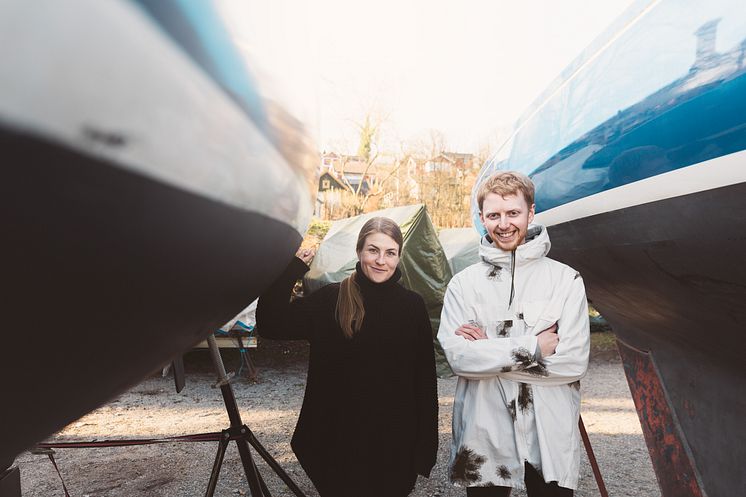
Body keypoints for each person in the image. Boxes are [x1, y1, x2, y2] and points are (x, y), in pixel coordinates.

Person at [256, 217, 439, 497]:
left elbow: (424, 381)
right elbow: (271, 323)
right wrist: (293, 268)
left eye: (390, 253)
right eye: (373, 250)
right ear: (359, 252)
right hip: (340, 443)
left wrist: (424, 449)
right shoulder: (332, 299)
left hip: (394, 446)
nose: (381, 260)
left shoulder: (412, 307)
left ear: (399, 256)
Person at [437, 171, 590, 497]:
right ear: (482, 218)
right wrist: (532, 346)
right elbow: (460, 359)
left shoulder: (566, 281)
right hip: (484, 435)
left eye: (513, 213)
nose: (503, 224)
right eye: (493, 215)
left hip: (548, 433)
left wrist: (488, 352)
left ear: (530, 212)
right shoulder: (463, 285)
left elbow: (573, 362)